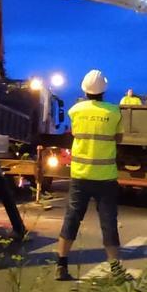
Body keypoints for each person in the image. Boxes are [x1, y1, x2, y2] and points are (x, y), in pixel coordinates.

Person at [56, 69, 124, 281]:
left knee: (71, 219)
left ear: (84, 89)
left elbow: (75, 134)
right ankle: (116, 271)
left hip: (80, 175)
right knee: (109, 223)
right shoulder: (114, 112)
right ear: (104, 89)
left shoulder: (75, 111)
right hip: (105, 177)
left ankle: (61, 266)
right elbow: (119, 138)